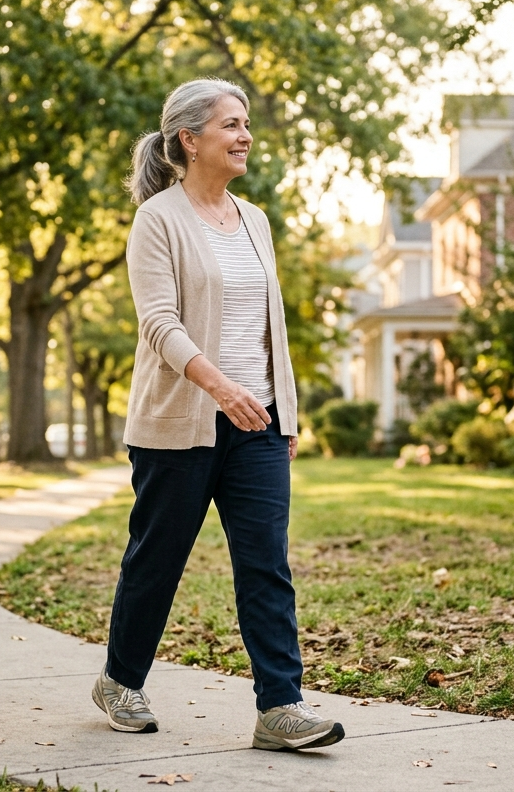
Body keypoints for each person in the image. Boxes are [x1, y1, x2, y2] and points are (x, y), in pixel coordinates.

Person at [90, 77, 344, 752]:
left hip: (256, 423)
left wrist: (281, 411)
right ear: (189, 139)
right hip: (180, 424)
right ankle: (120, 680)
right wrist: (218, 387)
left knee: (266, 565)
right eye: (231, 124)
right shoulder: (158, 220)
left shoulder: (254, 219)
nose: (245, 136)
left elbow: (272, 328)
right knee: (156, 561)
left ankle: (280, 708)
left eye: (247, 124)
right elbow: (160, 324)